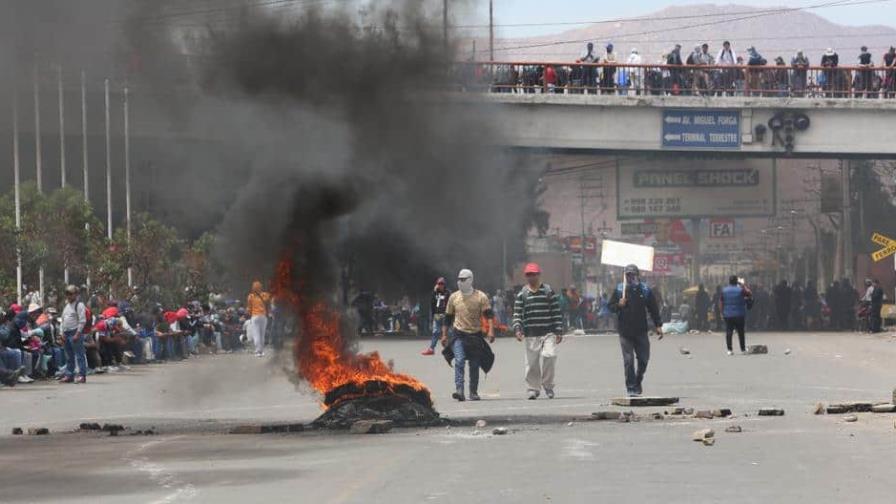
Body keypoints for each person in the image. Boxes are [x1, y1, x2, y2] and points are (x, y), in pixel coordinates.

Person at [608, 264, 663, 397]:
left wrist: (658, 325)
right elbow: (610, 307)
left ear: (637, 275)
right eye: (628, 275)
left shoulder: (645, 290)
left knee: (644, 359)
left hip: (641, 330)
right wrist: (619, 305)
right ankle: (631, 387)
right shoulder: (619, 290)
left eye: (633, 275)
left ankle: (638, 380)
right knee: (628, 360)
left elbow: (653, 308)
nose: (630, 277)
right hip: (625, 331)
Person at [441, 269, 495, 402]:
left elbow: (489, 315)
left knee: (474, 364)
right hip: (458, 335)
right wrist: (444, 335)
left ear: (470, 280)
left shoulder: (481, 296)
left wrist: (491, 331)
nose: (460, 282)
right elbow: (447, 318)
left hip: (475, 336)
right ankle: (459, 390)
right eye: (459, 279)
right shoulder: (454, 297)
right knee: (459, 360)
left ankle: (473, 392)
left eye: (463, 279)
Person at [512, 263, 564, 400]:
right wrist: (518, 329)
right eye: (528, 274)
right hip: (531, 333)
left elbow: (556, 311)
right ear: (526, 276)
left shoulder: (548, 291)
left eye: (533, 274)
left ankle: (548, 385)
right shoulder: (522, 294)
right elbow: (517, 314)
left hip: (548, 332)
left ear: (538, 275)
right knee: (532, 363)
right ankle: (533, 388)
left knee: (550, 355)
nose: (531, 277)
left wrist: (559, 330)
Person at [59, 285, 89, 383]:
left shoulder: (79, 305)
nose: (68, 296)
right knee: (69, 356)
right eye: (67, 294)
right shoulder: (66, 306)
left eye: (71, 294)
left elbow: (82, 320)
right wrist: (62, 333)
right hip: (66, 333)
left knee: (79, 355)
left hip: (74, 332)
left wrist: (78, 333)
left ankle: (82, 375)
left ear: (76, 294)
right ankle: (69, 375)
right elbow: (63, 321)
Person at [720, 276, 750, 355]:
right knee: (741, 332)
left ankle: (729, 350)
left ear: (729, 281)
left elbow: (721, 302)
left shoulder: (724, 290)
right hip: (739, 314)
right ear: (737, 282)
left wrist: (721, 312)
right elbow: (749, 293)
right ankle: (743, 349)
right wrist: (743, 285)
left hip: (728, 314)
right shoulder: (741, 290)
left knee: (729, 332)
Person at [422, 277, 450, 356]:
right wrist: (433, 315)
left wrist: (449, 315)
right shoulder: (435, 293)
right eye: (439, 284)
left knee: (447, 333)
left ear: (444, 285)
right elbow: (432, 303)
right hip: (437, 315)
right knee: (435, 332)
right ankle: (431, 349)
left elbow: (450, 304)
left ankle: (448, 349)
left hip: (445, 315)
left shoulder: (448, 293)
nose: (440, 285)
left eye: (442, 284)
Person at [246, 280, 271, 357]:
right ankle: (262, 351)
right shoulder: (265, 295)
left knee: (256, 334)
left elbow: (249, 308)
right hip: (263, 316)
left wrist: (249, 314)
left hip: (255, 316)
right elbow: (269, 298)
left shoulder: (250, 296)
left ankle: (257, 351)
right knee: (262, 334)